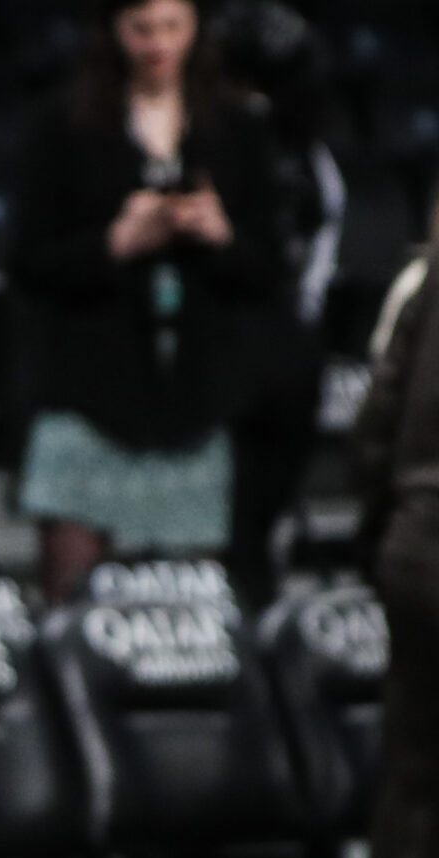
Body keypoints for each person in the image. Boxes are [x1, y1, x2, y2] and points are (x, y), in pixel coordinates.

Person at [269, 213, 439, 858]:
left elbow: (371, 436)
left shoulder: (421, 278)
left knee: (411, 849)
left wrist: (395, 546)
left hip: (418, 553)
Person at [11, 0, 285, 602]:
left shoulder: (237, 126)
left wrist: (220, 234)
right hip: (88, 394)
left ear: (195, 31)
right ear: (113, 32)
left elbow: (271, 269)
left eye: (171, 27)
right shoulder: (62, 123)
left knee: (188, 605)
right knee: (70, 600)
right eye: (141, 29)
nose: (157, 44)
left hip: (195, 397)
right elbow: (26, 265)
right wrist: (115, 242)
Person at [218, 0, 345, 610]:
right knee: (241, 540)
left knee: (248, 538)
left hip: (270, 356)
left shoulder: (305, 162)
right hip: (262, 353)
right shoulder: (298, 155)